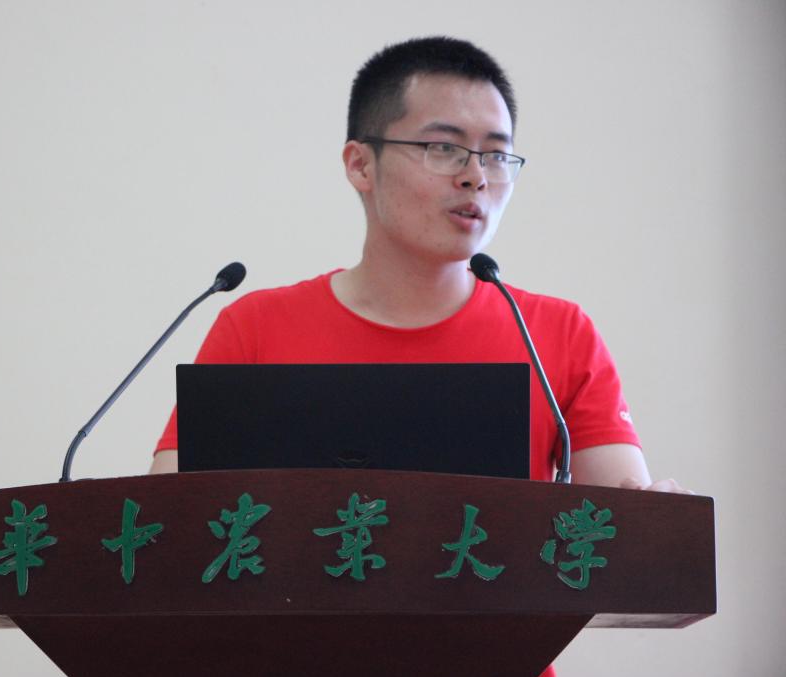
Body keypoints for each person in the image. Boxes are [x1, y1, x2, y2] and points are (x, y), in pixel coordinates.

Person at [151, 36, 690, 498]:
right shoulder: (256, 328)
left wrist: (656, 521)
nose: (476, 177)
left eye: (496, 155)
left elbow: (618, 532)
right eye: (443, 147)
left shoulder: (558, 334)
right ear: (360, 165)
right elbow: (169, 520)